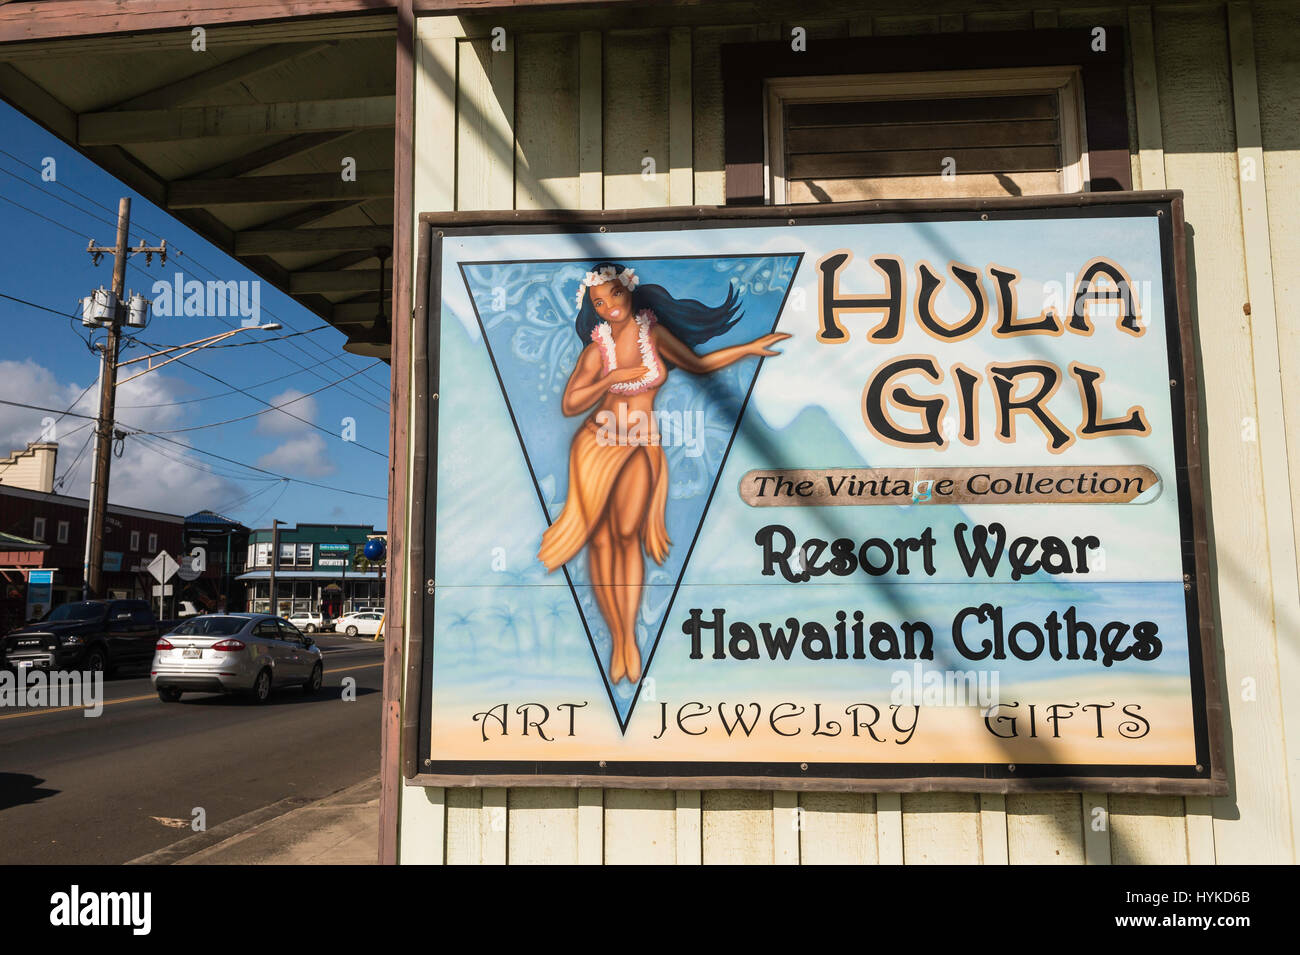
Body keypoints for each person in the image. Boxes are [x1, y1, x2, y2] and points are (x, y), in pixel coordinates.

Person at [538, 262, 789, 684]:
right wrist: (612, 377)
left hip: (638, 445)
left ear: (630, 291)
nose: (610, 307)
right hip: (596, 444)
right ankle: (618, 635)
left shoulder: (653, 335)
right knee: (599, 540)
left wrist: (748, 348)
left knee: (625, 537)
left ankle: (627, 639)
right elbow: (570, 403)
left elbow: (699, 365)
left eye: (615, 296)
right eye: (599, 302)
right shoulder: (596, 349)